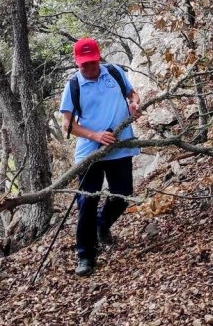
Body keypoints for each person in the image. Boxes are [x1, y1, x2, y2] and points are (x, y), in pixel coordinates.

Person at [60, 37, 141, 277]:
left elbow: (132, 94)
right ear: (77, 63)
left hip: (120, 145)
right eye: (84, 64)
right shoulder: (73, 85)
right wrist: (94, 135)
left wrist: (135, 104)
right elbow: (68, 125)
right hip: (90, 152)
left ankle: (101, 225)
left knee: (123, 194)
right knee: (87, 202)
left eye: (92, 62)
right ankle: (85, 255)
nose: (89, 67)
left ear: (99, 57)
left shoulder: (114, 72)